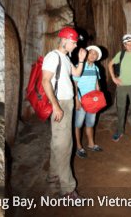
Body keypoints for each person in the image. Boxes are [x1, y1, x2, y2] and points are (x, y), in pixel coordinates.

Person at [41, 27, 87, 198]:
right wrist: (55, 105)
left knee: (58, 142)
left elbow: (76, 73)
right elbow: (45, 81)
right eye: (74, 42)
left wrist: (81, 60)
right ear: (65, 40)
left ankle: (53, 175)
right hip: (59, 103)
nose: (75, 45)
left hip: (66, 103)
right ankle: (67, 189)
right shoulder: (52, 57)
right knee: (64, 145)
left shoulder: (65, 58)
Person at [72, 45, 104, 159]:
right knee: (78, 125)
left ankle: (91, 144)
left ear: (97, 57)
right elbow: (74, 85)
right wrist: (76, 100)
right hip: (81, 101)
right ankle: (79, 147)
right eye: (91, 52)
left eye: (95, 54)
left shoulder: (96, 68)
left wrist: (99, 97)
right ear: (86, 54)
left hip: (93, 101)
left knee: (90, 123)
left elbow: (96, 83)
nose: (93, 55)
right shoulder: (79, 67)